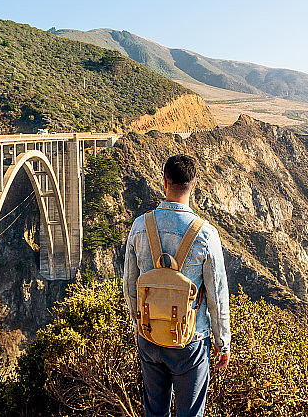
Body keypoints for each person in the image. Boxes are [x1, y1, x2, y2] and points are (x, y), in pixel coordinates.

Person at [123, 154, 231, 417]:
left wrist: (140, 323)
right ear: (194, 185)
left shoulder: (140, 226)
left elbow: (129, 284)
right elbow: (217, 293)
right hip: (190, 342)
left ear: (164, 183)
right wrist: (222, 342)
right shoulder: (206, 234)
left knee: (154, 412)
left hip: (149, 336)